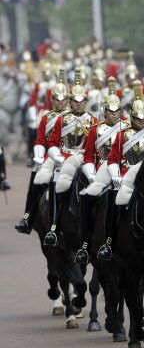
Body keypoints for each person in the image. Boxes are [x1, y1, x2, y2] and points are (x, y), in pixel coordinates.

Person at [99, 81, 144, 260]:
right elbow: (112, 160)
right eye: (138, 118)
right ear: (131, 117)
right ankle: (109, 241)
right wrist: (116, 176)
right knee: (115, 200)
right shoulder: (122, 135)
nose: (141, 122)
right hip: (128, 177)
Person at [75, 77, 129, 264]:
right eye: (110, 112)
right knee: (88, 197)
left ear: (121, 112)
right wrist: (91, 174)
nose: (113, 115)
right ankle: (85, 244)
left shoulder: (129, 129)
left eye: (117, 112)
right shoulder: (95, 130)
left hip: (126, 170)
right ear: (105, 111)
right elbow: (89, 156)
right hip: (102, 170)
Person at [43, 68, 98, 246]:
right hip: (65, 158)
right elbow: (51, 143)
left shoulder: (93, 120)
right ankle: (54, 226)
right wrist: (58, 158)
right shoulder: (62, 119)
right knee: (56, 183)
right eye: (75, 101)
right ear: (70, 102)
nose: (79, 104)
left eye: (82, 101)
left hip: (87, 159)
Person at [15, 67, 69, 234]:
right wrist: (38, 156)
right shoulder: (47, 117)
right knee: (37, 173)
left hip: (71, 155)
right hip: (51, 156)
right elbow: (40, 140)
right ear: (52, 99)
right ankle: (28, 216)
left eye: (63, 99)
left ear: (68, 100)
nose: (60, 102)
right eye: (57, 99)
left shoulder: (75, 118)